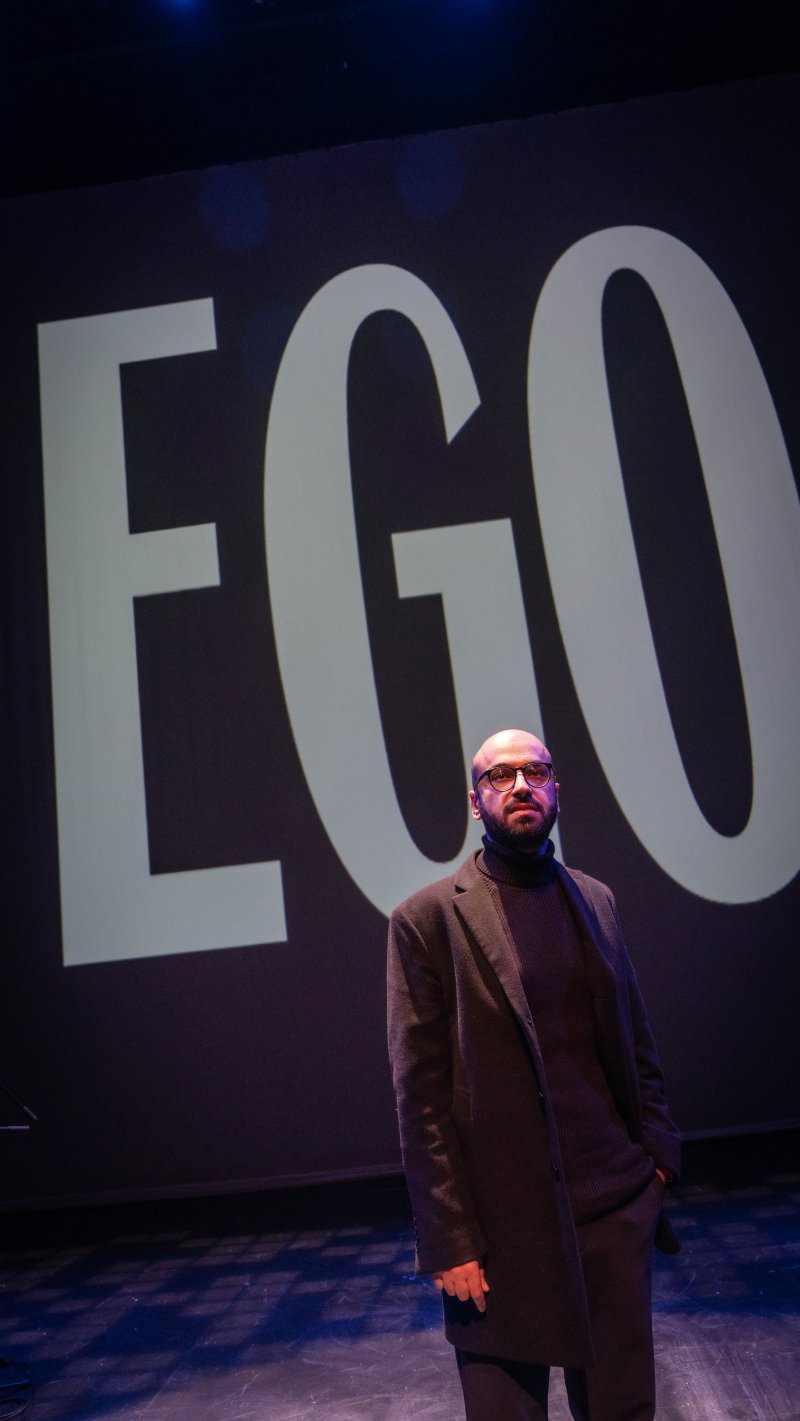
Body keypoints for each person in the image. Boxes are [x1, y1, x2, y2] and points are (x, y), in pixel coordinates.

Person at [387, 728, 681, 1421]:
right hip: (498, 1232)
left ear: (555, 789)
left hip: (611, 1211)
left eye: (536, 771)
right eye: (500, 775)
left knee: (623, 1410)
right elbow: (419, 1096)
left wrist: (658, 1162)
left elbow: (635, 1038)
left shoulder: (595, 898)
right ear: (474, 800)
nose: (521, 785)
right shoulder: (428, 919)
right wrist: (448, 1238)